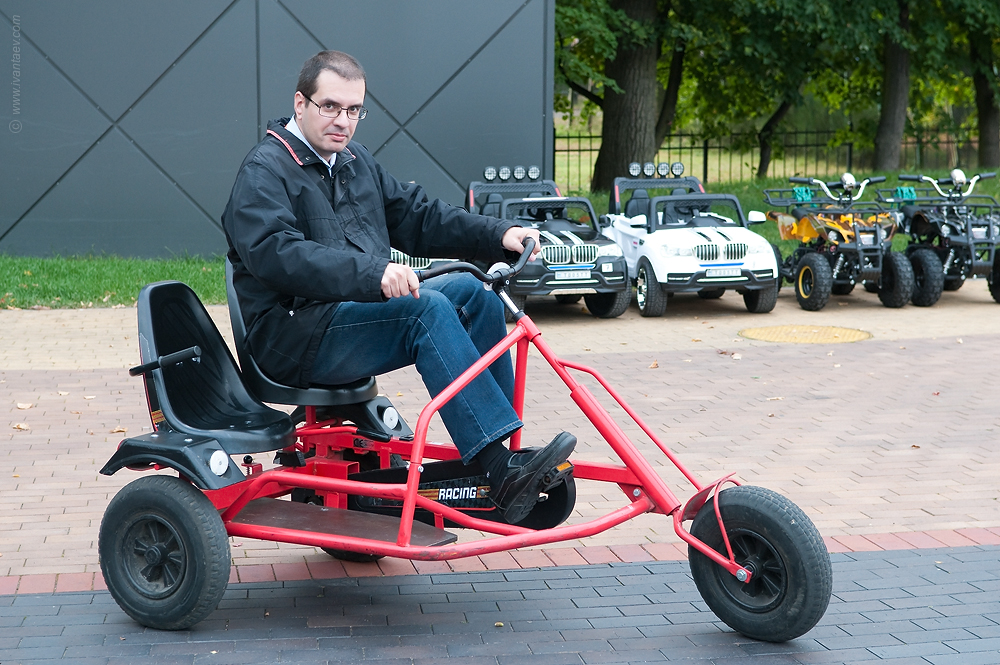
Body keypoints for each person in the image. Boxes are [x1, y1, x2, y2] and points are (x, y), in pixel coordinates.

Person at [222, 50, 575, 525]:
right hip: (293, 335)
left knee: (474, 292)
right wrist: (373, 273)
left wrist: (498, 235)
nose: (342, 121)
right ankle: (497, 467)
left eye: (354, 110)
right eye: (330, 106)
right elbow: (277, 254)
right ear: (300, 104)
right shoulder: (264, 170)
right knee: (424, 311)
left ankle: (502, 454)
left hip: (349, 316)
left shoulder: (353, 161)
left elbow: (418, 216)